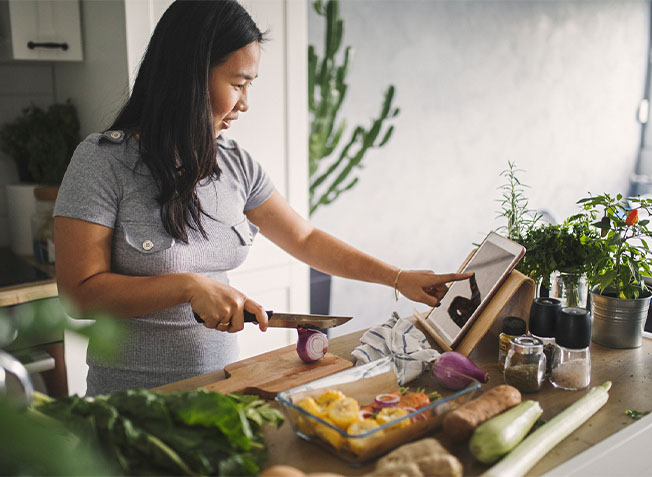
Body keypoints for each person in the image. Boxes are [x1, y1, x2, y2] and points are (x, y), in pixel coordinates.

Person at [53, 0, 472, 396]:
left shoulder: (237, 165)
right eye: (238, 83)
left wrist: (398, 278)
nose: (245, 104)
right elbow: (79, 293)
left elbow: (305, 239)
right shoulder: (102, 162)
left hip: (221, 392)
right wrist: (186, 286)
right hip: (131, 405)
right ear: (189, 76)